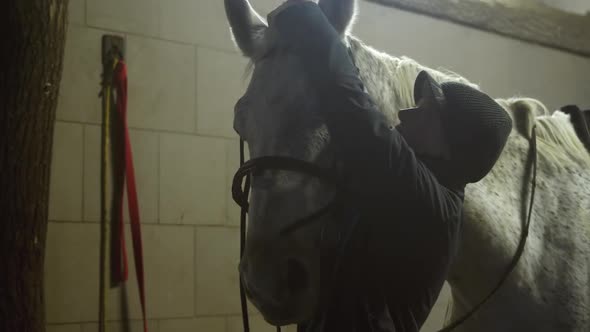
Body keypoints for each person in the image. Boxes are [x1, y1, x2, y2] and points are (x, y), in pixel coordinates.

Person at [266, 1, 513, 331]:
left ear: (448, 143)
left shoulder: (429, 206)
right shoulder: (413, 193)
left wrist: (304, 14)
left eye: (423, 111)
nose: (405, 113)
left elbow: (354, 112)